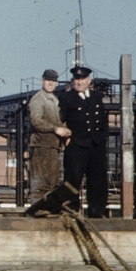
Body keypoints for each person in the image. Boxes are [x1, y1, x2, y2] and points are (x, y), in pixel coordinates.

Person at [57, 64, 109, 217]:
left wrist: (103, 136)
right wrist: (65, 138)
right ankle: (72, 212)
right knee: (73, 179)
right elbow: (60, 120)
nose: (79, 82)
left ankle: (97, 212)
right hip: (77, 145)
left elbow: (102, 120)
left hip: (96, 145)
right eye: (76, 79)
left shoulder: (96, 97)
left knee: (98, 180)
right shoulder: (66, 98)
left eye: (82, 79)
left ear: (88, 80)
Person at [27, 68, 71, 203]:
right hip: (41, 146)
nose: (51, 83)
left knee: (51, 181)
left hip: (52, 146)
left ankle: (46, 210)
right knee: (40, 183)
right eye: (48, 80)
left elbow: (57, 121)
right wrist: (55, 129)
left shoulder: (53, 100)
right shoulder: (38, 99)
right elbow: (36, 121)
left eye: (53, 81)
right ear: (42, 81)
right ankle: (37, 209)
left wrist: (66, 132)